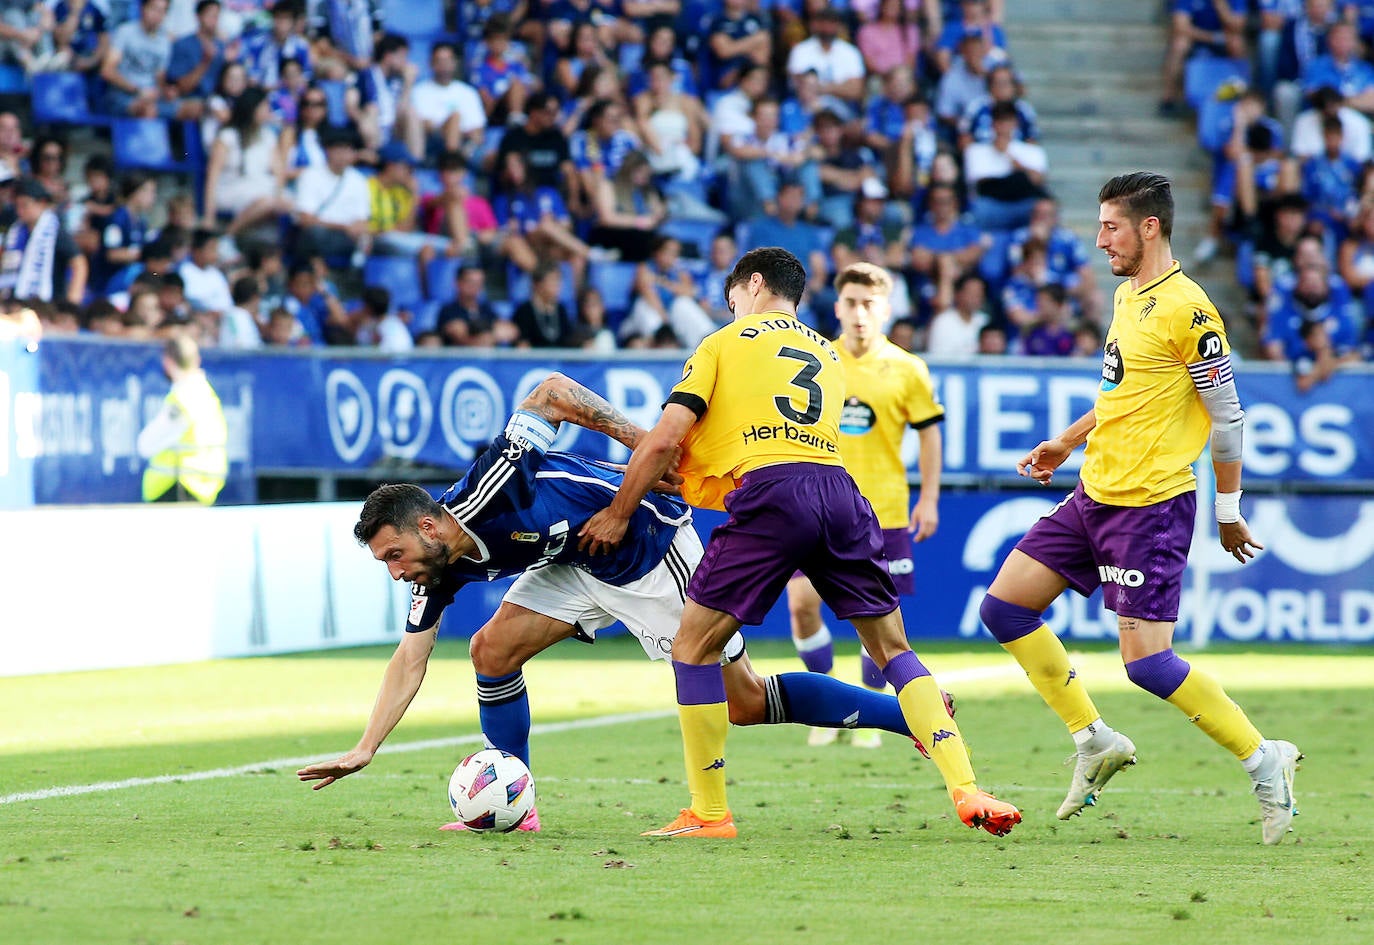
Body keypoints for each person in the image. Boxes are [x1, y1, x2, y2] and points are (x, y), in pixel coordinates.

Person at [296, 373, 927, 828]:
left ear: (428, 527)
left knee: (745, 703)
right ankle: (517, 802)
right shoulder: (434, 571)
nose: (394, 571)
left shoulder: (494, 490)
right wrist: (365, 748)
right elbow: (410, 657)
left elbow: (550, 391)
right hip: (574, 563)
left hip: (648, 544)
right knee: (490, 651)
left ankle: (909, 716)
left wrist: (642, 442)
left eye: (393, 555)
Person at [578, 247, 1020, 839]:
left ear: (752, 285)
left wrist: (617, 511)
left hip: (772, 494)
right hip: (840, 489)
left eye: (732, 297)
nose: (730, 308)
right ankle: (966, 786)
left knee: (691, 647)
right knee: (893, 648)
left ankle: (708, 813)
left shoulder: (723, 343)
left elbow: (665, 442)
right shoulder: (826, 353)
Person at [976, 172, 1302, 845]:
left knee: (1149, 663)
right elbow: (1121, 393)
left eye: (1111, 227)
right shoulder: (1129, 297)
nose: (1100, 241)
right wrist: (1066, 441)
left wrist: (1230, 507)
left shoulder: (1192, 310)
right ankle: (1093, 738)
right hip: (1094, 492)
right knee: (1003, 607)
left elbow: (1229, 417)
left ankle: (1263, 758)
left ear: (1149, 226)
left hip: (1151, 504)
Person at [787, 263, 944, 751]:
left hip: (885, 512)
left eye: (870, 303)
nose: (860, 313)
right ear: (837, 306)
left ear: (887, 309)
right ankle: (828, 703)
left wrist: (931, 497)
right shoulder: (816, 361)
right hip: (818, 510)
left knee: (877, 620)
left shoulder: (907, 368)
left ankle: (867, 712)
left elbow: (929, 433)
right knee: (801, 603)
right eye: (851, 302)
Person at [136, 333, 228, 505]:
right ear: (197, 360)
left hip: (177, 487)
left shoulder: (184, 398)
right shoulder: (206, 392)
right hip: (202, 486)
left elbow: (146, 445)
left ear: (168, 362)